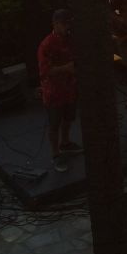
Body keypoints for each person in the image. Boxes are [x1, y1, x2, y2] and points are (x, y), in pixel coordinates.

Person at [38, 9, 81, 172]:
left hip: (70, 87)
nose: (68, 27)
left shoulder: (72, 40)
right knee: (54, 123)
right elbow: (44, 72)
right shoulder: (47, 44)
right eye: (64, 24)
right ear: (55, 24)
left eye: (69, 23)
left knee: (69, 118)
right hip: (54, 91)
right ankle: (56, 154)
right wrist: (66, 68)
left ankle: (65, 143)